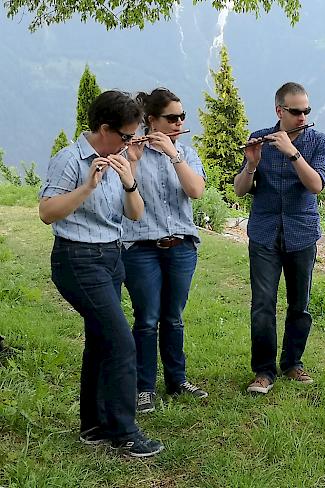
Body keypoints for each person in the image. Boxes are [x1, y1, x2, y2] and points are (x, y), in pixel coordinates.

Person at [39, 90, 163, 457]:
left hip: (111, 258)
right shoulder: (71, 160)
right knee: (122, 342)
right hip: (77, 259)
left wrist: (130, 179)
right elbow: (47, 212)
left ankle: (93, 426)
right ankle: (125, 432)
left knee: (100, 340)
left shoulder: (120, 158)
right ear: (104, 128)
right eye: (125, 136)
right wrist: (88, 186)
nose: (129, 142)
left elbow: (136, 214)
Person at [233, 82, 325, 394]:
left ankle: (292, 363)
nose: (302, 116)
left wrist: (292, 153)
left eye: (306, 111)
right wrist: (252, 164)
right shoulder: (259, 138)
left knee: (299, 304)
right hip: (264, 232)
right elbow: (239, 189)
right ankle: (263, 370)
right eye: (296, 111)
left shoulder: (319, 142)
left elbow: (316, 185)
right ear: (280, 111)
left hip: (301, 232)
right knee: (262, 304)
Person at [122, 88, 208, 414]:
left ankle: (177, 380)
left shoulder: (186, 153)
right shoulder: (132, 152)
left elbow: (195, 190)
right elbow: (124, 198)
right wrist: (130, 160)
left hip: (181, 246)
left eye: (182, 117)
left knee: (173, 318)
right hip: (141, 248)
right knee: (146, 319)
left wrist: (174, 156)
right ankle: (143, 388)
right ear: (151, 121)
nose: (179, 122)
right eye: (171, 118)